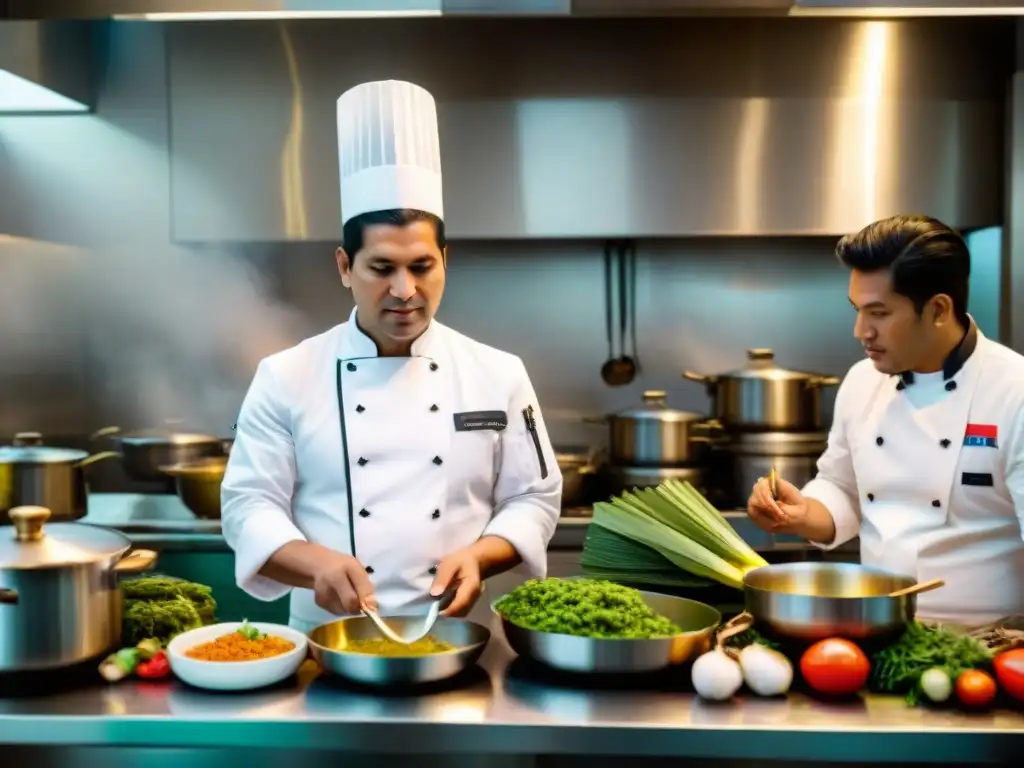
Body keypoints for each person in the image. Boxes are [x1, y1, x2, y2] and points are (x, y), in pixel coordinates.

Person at [221, 79, 562, 634]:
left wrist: (482, 557)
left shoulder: (499, 374)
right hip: (324, 639)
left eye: (422, 266)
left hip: (459, 633)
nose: (405, 290)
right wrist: (316, 564)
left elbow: (535, 497)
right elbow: (246, 505)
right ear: (343, 267)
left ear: (445, 261)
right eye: (382, 268)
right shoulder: (285, 376)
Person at [747, 214, 1024, 624]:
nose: (861, 331)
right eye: (857, 310)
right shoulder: (862, 382)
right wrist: (804, 513)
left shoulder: (1013, 392)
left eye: (878, 313)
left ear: (938, 310)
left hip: (993, 645)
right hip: (880, 633)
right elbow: (842, 487)